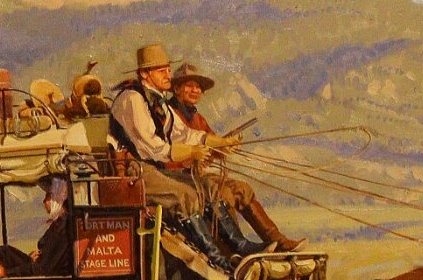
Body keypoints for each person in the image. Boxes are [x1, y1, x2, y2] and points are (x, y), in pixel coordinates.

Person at [108, 44, 296, 260]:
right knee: (186, 194)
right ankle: (216, 259)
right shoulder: (131, 99)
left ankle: (240, 246)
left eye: (168, 69)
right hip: (136, 171)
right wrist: (192, 152)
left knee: (208, 187)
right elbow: (153, 147)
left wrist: (220, 142)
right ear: (144, 73)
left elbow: (185, 133)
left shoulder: (159, 102)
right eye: (161, 71)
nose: (168, 75)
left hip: (154, 169)